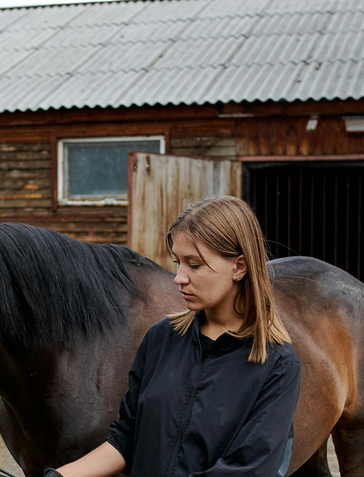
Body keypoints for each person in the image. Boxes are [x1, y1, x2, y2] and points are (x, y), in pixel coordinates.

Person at [46, 196, 301, 477]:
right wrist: (60, 476)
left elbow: (248, 469)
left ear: (239, 267)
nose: (178, 277)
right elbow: (125, 439)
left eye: (194, 265)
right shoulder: (160, 339)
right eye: (178, 262)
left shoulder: (278, 364)